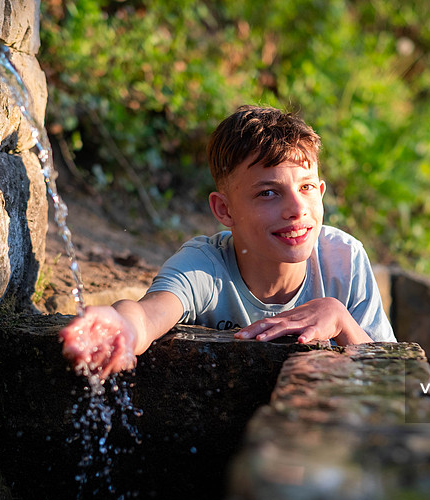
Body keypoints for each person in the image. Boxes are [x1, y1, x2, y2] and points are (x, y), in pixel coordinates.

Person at [59, 105, 396, 379]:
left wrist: (340, 319)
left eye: (306, 187)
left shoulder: (343, 260)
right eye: (268, 193)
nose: (297, 209)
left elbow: (397, 383)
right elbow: (148, 314)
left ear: (320, 192)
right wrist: (121, 328)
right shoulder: (206, 267)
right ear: (225, 209)